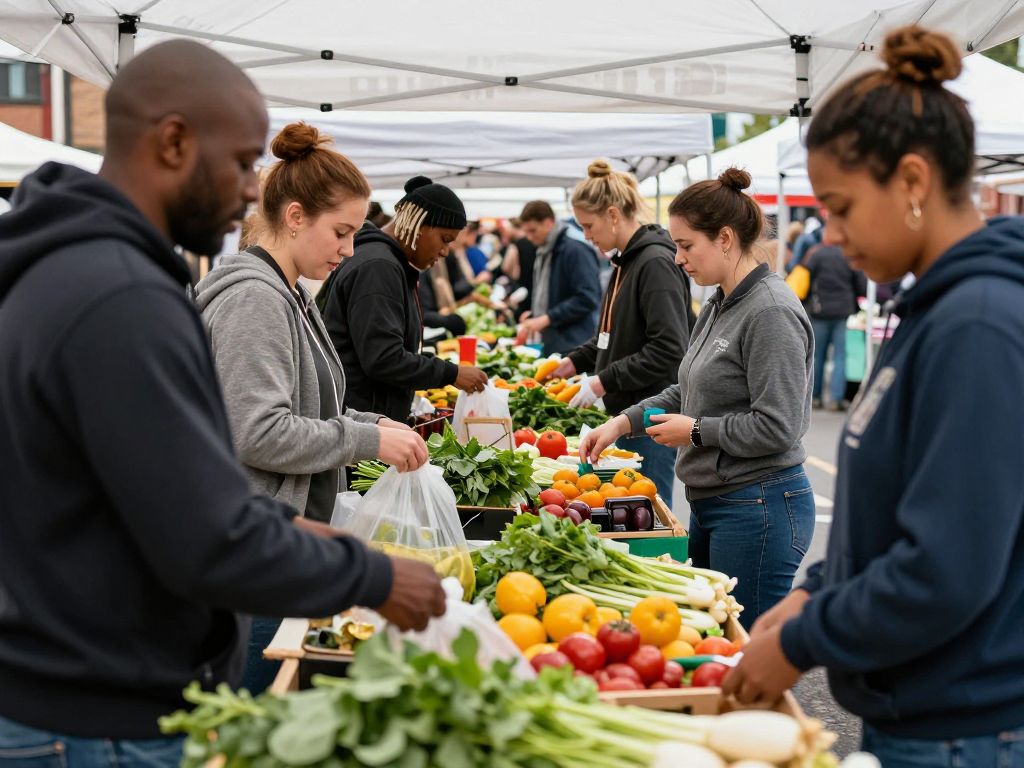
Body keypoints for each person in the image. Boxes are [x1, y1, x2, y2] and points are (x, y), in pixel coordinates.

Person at [0, 41, 445, 762]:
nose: (251, 190)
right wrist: (374, 575)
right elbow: (204, 532)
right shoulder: (119, 296)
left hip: (73, 688)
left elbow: (150, 485)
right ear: (173, 141)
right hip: (91, 710)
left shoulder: (82, 272)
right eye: (240, 163)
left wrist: (299, 529)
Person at [723, 27, 1024, 766]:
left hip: (961, 726)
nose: (829, 231)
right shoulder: (931, 309)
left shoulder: (978, 324)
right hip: (924, 712)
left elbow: (943, 569)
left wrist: (801, 640)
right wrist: (814, 591)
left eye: (841, 206)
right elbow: (889, 513)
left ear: (914, 182)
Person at [195, 123, 433, 694]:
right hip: (253, 560)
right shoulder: (254, 300)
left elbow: (308, 402)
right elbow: (258, 432)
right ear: (295, 216)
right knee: (253, 714)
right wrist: (367, 442)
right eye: (342, 232)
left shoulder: (289, 292)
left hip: (277, 550)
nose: (349, 250)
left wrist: (371, 423)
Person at [580, 168, 816, 630]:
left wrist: (695, 430)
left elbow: (779, 425)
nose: (678, 257)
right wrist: (622, 423)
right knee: (715, 639)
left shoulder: (770, 312)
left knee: (741, 647)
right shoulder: (718, 301)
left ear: (725, 238)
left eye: (686, 245)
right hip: (718, 503)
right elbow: (686, 387)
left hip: (759, 506)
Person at [549, 160, 692, 501]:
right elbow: (610, 336)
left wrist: (602, 381)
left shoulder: (654, 263)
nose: (586, 235)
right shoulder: (626, 262)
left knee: (644, 506)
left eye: (588, 225)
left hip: (650, 415)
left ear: (613, 215)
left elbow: (669, 349)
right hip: (628, 410)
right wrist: (573, 362)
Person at [320, 176, 488, 423]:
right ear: (419, 226)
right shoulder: (379, 267)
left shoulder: (385, 261)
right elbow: (383, 358)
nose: (444, 252)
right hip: (361, 425)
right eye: (445, 239)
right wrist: (450, 373)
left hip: (366, 419)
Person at [517, 200, 601, 355]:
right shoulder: (546, 250)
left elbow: (588, 297)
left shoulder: (575, 250)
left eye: (533, 230)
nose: (528, 237)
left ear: (548, 223)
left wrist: (547, 318)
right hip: (556, 341)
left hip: (576, 344)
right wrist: (536, 314)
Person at [803, 242, 866, 410]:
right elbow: (860, 283)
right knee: (840, 356)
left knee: (817, 356)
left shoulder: (817, 255)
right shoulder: (847, 254)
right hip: (842, 311)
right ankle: (836, 399)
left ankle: (814, 397)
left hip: (820, 310)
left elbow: (806, 279)